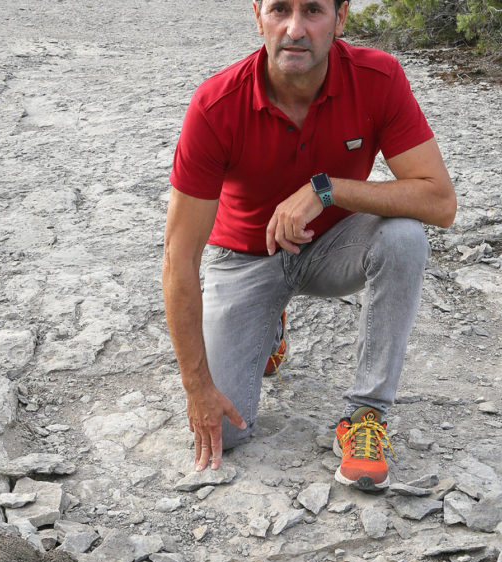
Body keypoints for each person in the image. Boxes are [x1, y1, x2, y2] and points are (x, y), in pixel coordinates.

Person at [162, 0, 456, 491]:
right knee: (227, 432)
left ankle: (366, 415)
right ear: (257, 14)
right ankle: (268, 327)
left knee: (404, 236)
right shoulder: (216, 105)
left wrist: (329, 189)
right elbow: (179, 258)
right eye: (279, 9)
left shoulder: (377, 77)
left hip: (334, 245)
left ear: (341, 18)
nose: (295, 29)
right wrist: (197, 388)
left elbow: (440, 201)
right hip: (246, 259)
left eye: (313, 11)